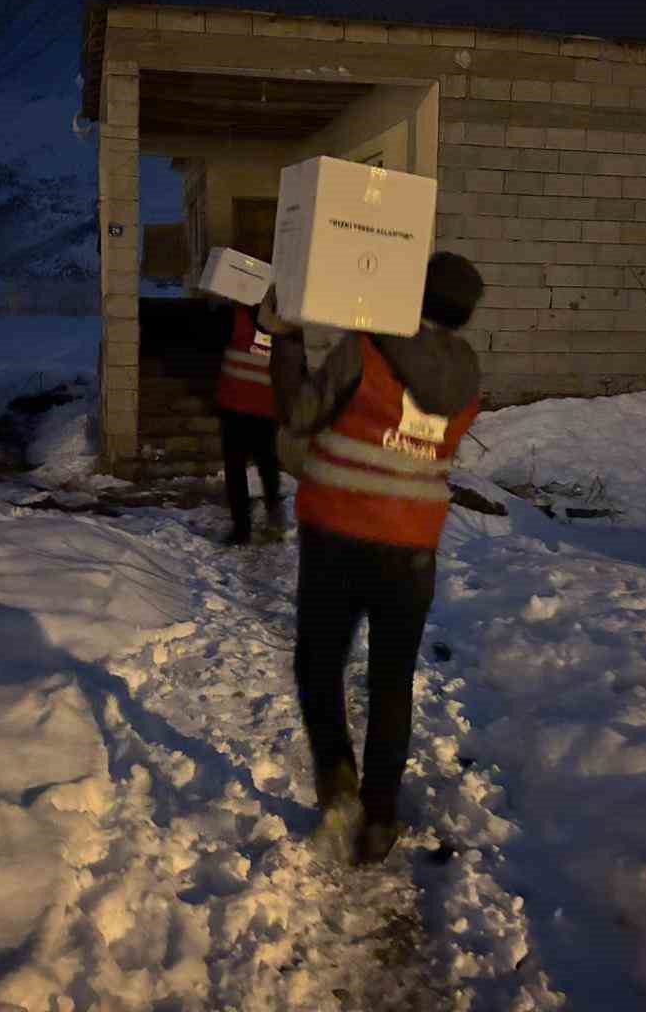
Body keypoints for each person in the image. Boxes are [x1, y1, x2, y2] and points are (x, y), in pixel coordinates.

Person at [260, 252, 484, 865]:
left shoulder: (368, 348)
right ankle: (381, 817)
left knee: (319, 663)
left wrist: (285, 340)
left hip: (339, 533)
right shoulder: (468, 378)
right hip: (413, 549)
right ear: (465, 315)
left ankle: (338, 781)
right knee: (391, 684)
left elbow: (299, 413)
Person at [214, 298, 285, 546]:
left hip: (236, 403)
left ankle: (242, 529)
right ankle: (274, 519)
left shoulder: (236, 315)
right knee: (267, 464)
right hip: (265, 406)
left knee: (237, 469)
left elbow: (214, 339)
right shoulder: (282, 322)